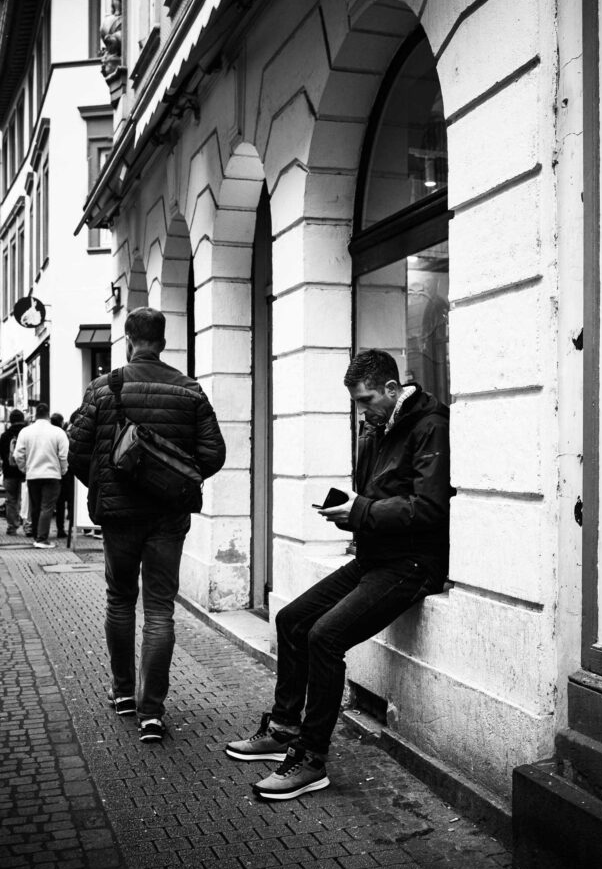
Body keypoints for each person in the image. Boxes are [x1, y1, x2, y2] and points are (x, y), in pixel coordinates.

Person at [227, 348, 451, 800]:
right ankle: (285, 728)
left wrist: (361, 510)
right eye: (358, 402)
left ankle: (311, 760)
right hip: (374, 558)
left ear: (392, 389)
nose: (362, 410)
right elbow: (374, 493)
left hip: (411, 564)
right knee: (292, 620)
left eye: (367, 400)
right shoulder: (374, 429)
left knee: (324, 637)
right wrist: (351, 511)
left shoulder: (431, 425)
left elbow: (430, 509)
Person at [68, 307, 226, 743]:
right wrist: (172, 479)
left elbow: (78, 453)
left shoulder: (105, 387)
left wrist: (107, 484)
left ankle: (122, 695)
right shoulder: (189, 390)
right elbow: (213, 455)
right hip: (167, 518)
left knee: (120, 600)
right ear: (163, 338)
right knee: (160, 609)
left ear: (128, 337)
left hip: (118, 517)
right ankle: (152, 712)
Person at [12, 403, 69, 548]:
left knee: (36, 507)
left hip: (33, 475)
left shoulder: (26, 432)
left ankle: (37, 536)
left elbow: (18, 454)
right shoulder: (58, 432)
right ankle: (42, 539)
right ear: (48, 414)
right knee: (47, 507)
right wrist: (62, 470)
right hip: (52, 474)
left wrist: (25, 469)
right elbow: (64, 455)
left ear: (35, 415)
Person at [0, 409, 28, 535]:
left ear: (10, 420)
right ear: (23, 419)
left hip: (9, 473)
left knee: (11, 499)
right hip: (26, 472)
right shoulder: (28, 433)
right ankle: (28, 526)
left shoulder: (5, 436)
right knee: (28, 499)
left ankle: (12, 526)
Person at [51, 413, 73, 538]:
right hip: (64, 473)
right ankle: (61, 529)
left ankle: (39, 530)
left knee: (52, 503)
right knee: (63, 502)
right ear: (60, 422)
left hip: (52, 471)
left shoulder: (48, 434)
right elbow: (65, 455)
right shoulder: (62, 434)